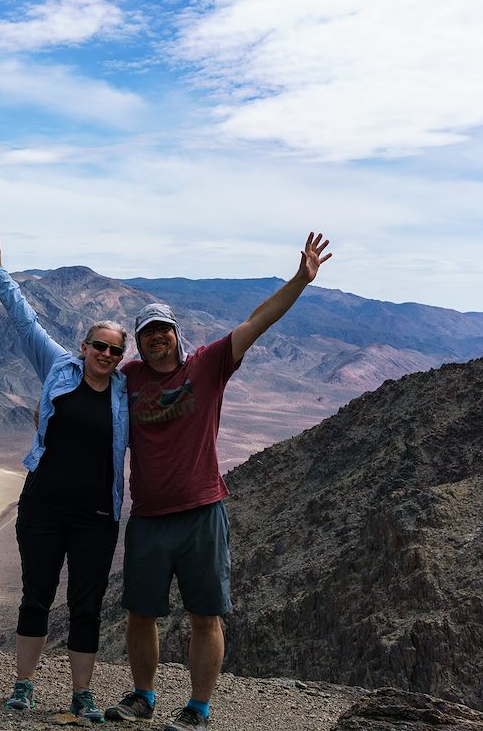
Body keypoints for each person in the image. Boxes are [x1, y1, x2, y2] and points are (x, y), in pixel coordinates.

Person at [105, 232, 333, 731]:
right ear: (139, 343)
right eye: (147, 334)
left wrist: (300, 280)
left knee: (205, 615)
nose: (157, 338)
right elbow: (86, 380)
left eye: (163, 330)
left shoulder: (209, 365)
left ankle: (199, 709)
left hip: (202, 513)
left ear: (176, 334)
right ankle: (144, 696)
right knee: (140, 614)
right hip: (147, 518)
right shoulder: (131, 379)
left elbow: (258, 320)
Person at [0, 232, 129, 724]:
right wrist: (2, 277)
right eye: (100, 346)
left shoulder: (126, 397)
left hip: (97, 517)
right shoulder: (59, 369)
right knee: (36, 595)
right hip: (43, 506)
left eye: (115, 351)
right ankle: (23, 685)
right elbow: (26, 325)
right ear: (84, 346)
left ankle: (81, 694)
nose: (106, 355)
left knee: (85, 605)